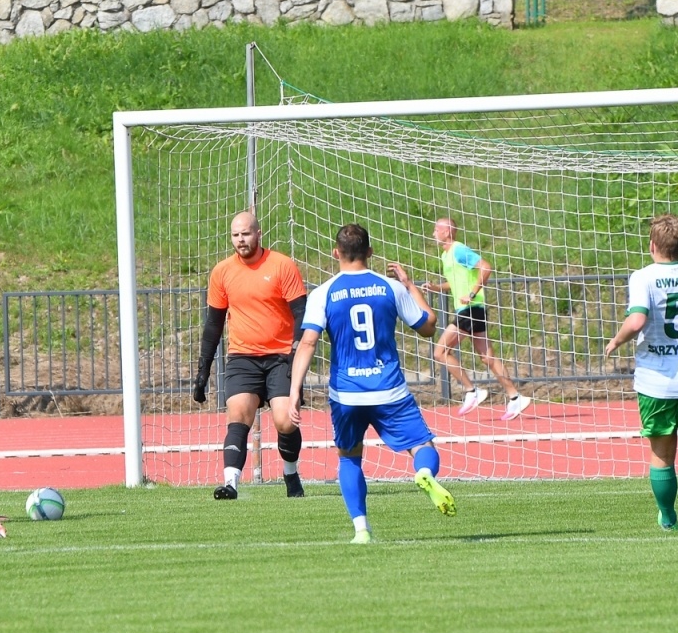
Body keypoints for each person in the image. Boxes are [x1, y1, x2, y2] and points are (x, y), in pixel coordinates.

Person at [288, 223, 457, 544]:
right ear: (370, 252)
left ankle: (361, 529)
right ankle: (423, 473)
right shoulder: (389, 288)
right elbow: (428, 327)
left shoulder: (324, 292)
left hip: (347, 393)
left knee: (350, 457)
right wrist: (409, 285)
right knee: (422, 446)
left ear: (335, 253)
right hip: (389, 389)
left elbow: (308, 342)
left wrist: (295, 390)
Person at [604, 213, 678, 532]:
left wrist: (617, 339)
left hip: (657, 382)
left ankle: (668, 518)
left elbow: (638, 319)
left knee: (661, 455)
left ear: (652, 245)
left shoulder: (643, 277)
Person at [192, 208, 309, 500]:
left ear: (258, 234)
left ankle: (291, 474)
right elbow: (213, 324)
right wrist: (202, 371)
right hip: (243, 358)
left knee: (285, 421)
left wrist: (296, 354)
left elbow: (301, 314)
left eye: (246, 233)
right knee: (238, 415)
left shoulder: (283, 266)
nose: (241, 240)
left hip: (281, 357)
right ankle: (230, 484)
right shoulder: (222, 272)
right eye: (235, 235)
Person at [421, 218, 531, 419]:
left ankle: (472, 391)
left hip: (470, 308)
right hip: (473, 309)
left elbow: (485, 267)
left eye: (437, 229)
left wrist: (472, 293)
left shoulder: (459, 250)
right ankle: (516, 398)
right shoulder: (446, 255)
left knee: (441, 351)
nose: (433, 233)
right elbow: (455, 282)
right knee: (487, 357)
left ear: (447, 232)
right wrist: (437, 287)